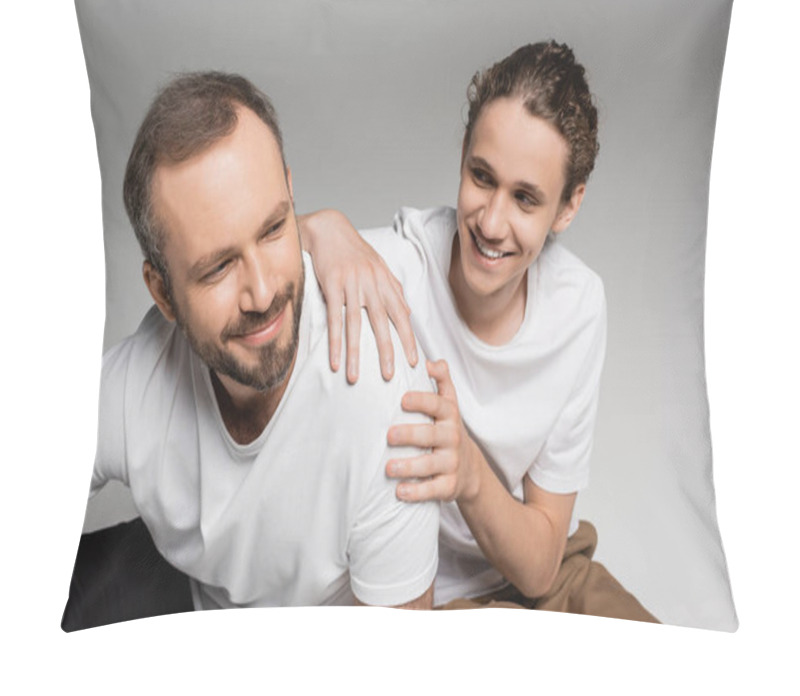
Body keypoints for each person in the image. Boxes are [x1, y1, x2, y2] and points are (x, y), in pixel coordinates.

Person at [300, 41, 658, 621]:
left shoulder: (579, 306)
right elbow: (245, 266)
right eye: (481, 177)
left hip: (535, 576)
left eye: (524, 198)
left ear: (568, 208)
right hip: (417, 598)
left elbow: (541, 564)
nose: (491, 223)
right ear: (463, 155)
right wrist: (321, 229)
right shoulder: (400, 267)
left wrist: (468, 471)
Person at [69, 71, 438, 623]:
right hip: (191, 595)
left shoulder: (386, 400)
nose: (263, 293)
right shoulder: (136, 385)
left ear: (293, 198)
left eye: (272, 230)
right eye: (217, 267)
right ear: (162, 292)